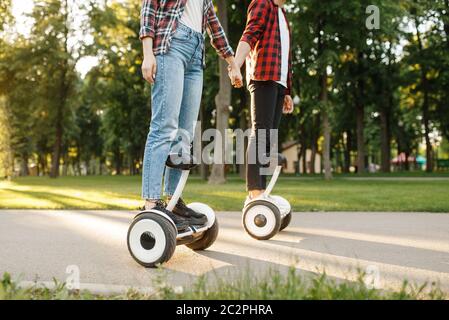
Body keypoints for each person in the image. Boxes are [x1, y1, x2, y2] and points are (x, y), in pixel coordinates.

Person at [140, 0, 243, 231]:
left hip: (197, 52)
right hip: (171, 43)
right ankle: (151, 202)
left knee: (184, 135)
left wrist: (232, 63)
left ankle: (173, 201)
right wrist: (148, 52)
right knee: (164, 127)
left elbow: (213, 24)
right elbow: (149, 6)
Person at [231, 0, 294, 205]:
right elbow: (250, 34)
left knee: (270, 138)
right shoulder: (262, 3)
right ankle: (254, 191)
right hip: (262, 76)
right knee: (260, 133)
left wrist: (287, 91)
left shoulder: (282, 14)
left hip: (278, 81)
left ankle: (262, 191)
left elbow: (286, 57)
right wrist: (235, 65)